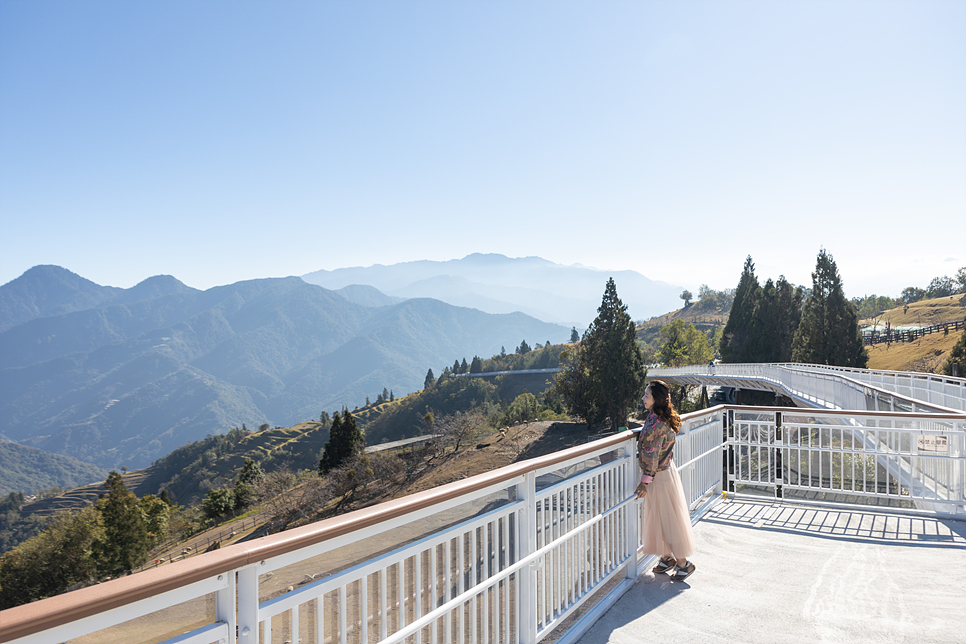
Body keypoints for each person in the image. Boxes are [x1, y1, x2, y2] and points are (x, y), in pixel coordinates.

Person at [635, 380, 696, 581]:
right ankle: (667, 557)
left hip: (657, 476)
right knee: (662, 517)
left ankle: (683, 563)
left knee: (668, 519)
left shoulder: (656, 423)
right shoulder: (659, 418)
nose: (644, 398)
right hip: (664, 473)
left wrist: (644, 481)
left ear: (656, 399)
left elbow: (652, 456)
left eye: (647, 395)